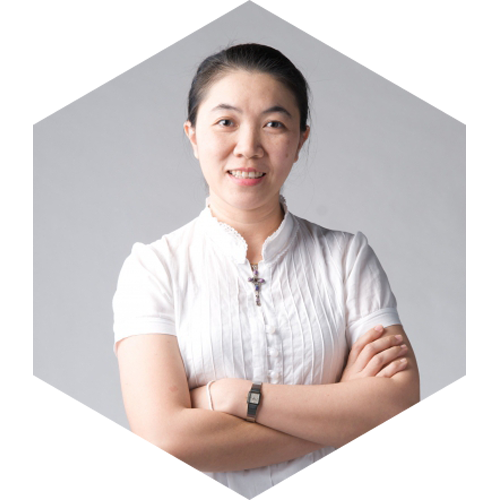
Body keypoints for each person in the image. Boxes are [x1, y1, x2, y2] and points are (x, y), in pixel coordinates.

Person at [112, 43, 420, 499]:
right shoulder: (154, 269)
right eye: (226, 122)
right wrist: (343, 419)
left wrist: (236, 396)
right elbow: (167, 436)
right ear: (193, 136)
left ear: (300, 141)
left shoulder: (346, 258)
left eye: (274, 124)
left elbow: (397, 406)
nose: (248, 147)